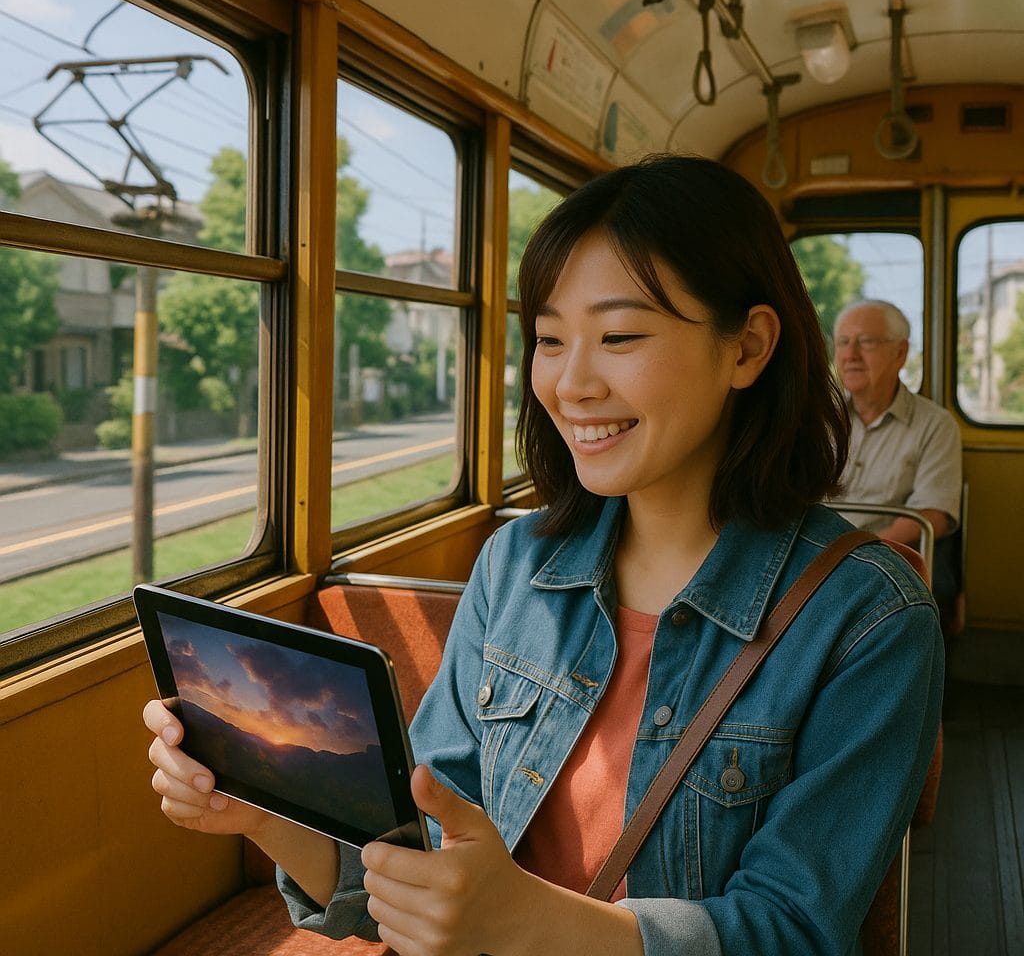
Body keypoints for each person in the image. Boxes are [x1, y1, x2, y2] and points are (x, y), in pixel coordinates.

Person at [144, 155, 944, 956]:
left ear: (748, 346)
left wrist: (526, 917)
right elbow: (417, 857)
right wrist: (257, 811)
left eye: (619, 336)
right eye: (550, 340)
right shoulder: (515, 567)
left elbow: (793, 932)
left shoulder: (867, 620)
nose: (569, 384)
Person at [830, 299, 962, 599]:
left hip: (888, 560)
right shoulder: (815, 418)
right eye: (843, 342)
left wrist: (861, 554)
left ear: (900, 353)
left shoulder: (936, 424)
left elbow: (933, 515)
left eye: (866, 342)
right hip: (813, 553)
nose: (851, 355)